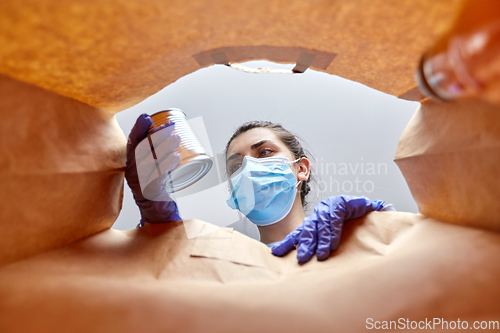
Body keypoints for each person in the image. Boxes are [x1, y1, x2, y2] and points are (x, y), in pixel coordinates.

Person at [126, 114, 394, 263]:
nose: (250, 168)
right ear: (232, 194)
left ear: (301, 168)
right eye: (235, 166)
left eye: (265, 152)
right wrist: (154, 216)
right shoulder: (227, 267)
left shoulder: (354, 238)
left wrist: (379, 223)